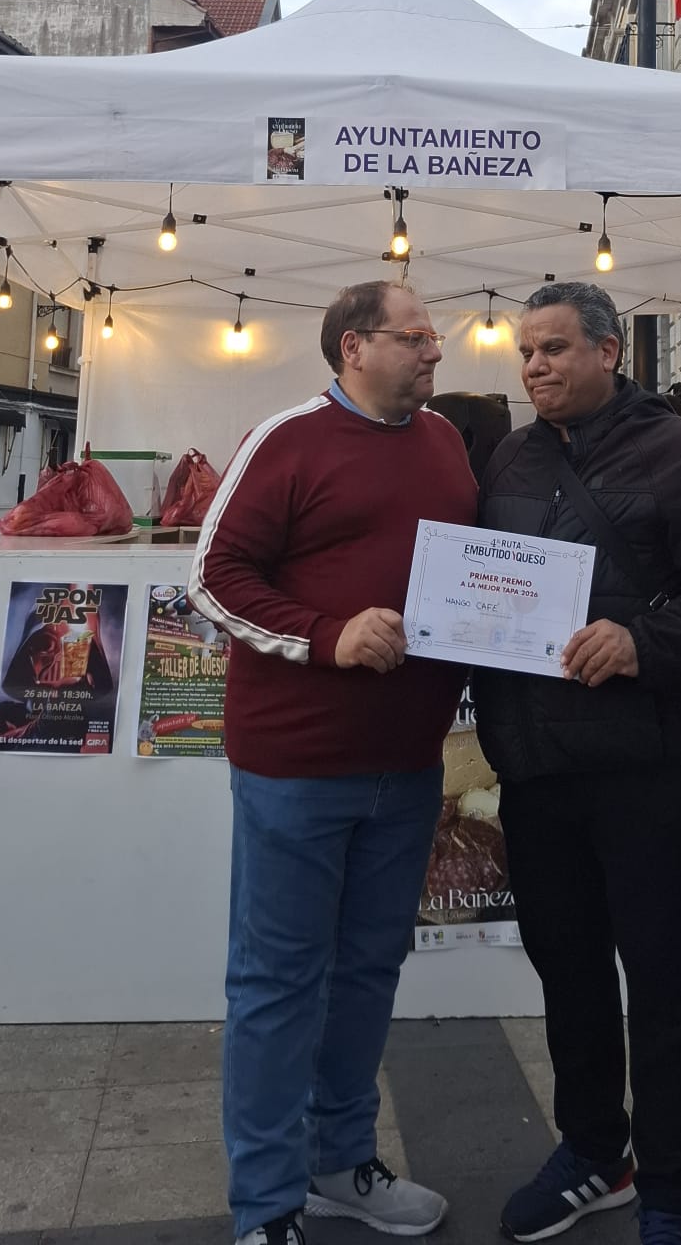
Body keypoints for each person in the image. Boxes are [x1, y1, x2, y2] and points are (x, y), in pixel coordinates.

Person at [473, 282, 681, 1245]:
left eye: (555, 349)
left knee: (663, 979)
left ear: (609, 352)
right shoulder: (508, 457)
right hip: (534, 765)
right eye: (526, 352)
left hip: (641, 764)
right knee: (566, 971)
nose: (535, 367)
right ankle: (594, 1153)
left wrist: (644, 641)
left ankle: (671, 1193)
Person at [189, 281, 477, 1245]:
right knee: (277, 984)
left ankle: (339, 1163)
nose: (435, 351)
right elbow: (211, 580)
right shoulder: (286, 440)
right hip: (297, 767)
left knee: (367, 972)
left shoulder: (445, 443)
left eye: (434, 337)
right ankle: (267, 1206)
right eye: (416, 336)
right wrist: (326, 634)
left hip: (410, 764)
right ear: (354, 346)